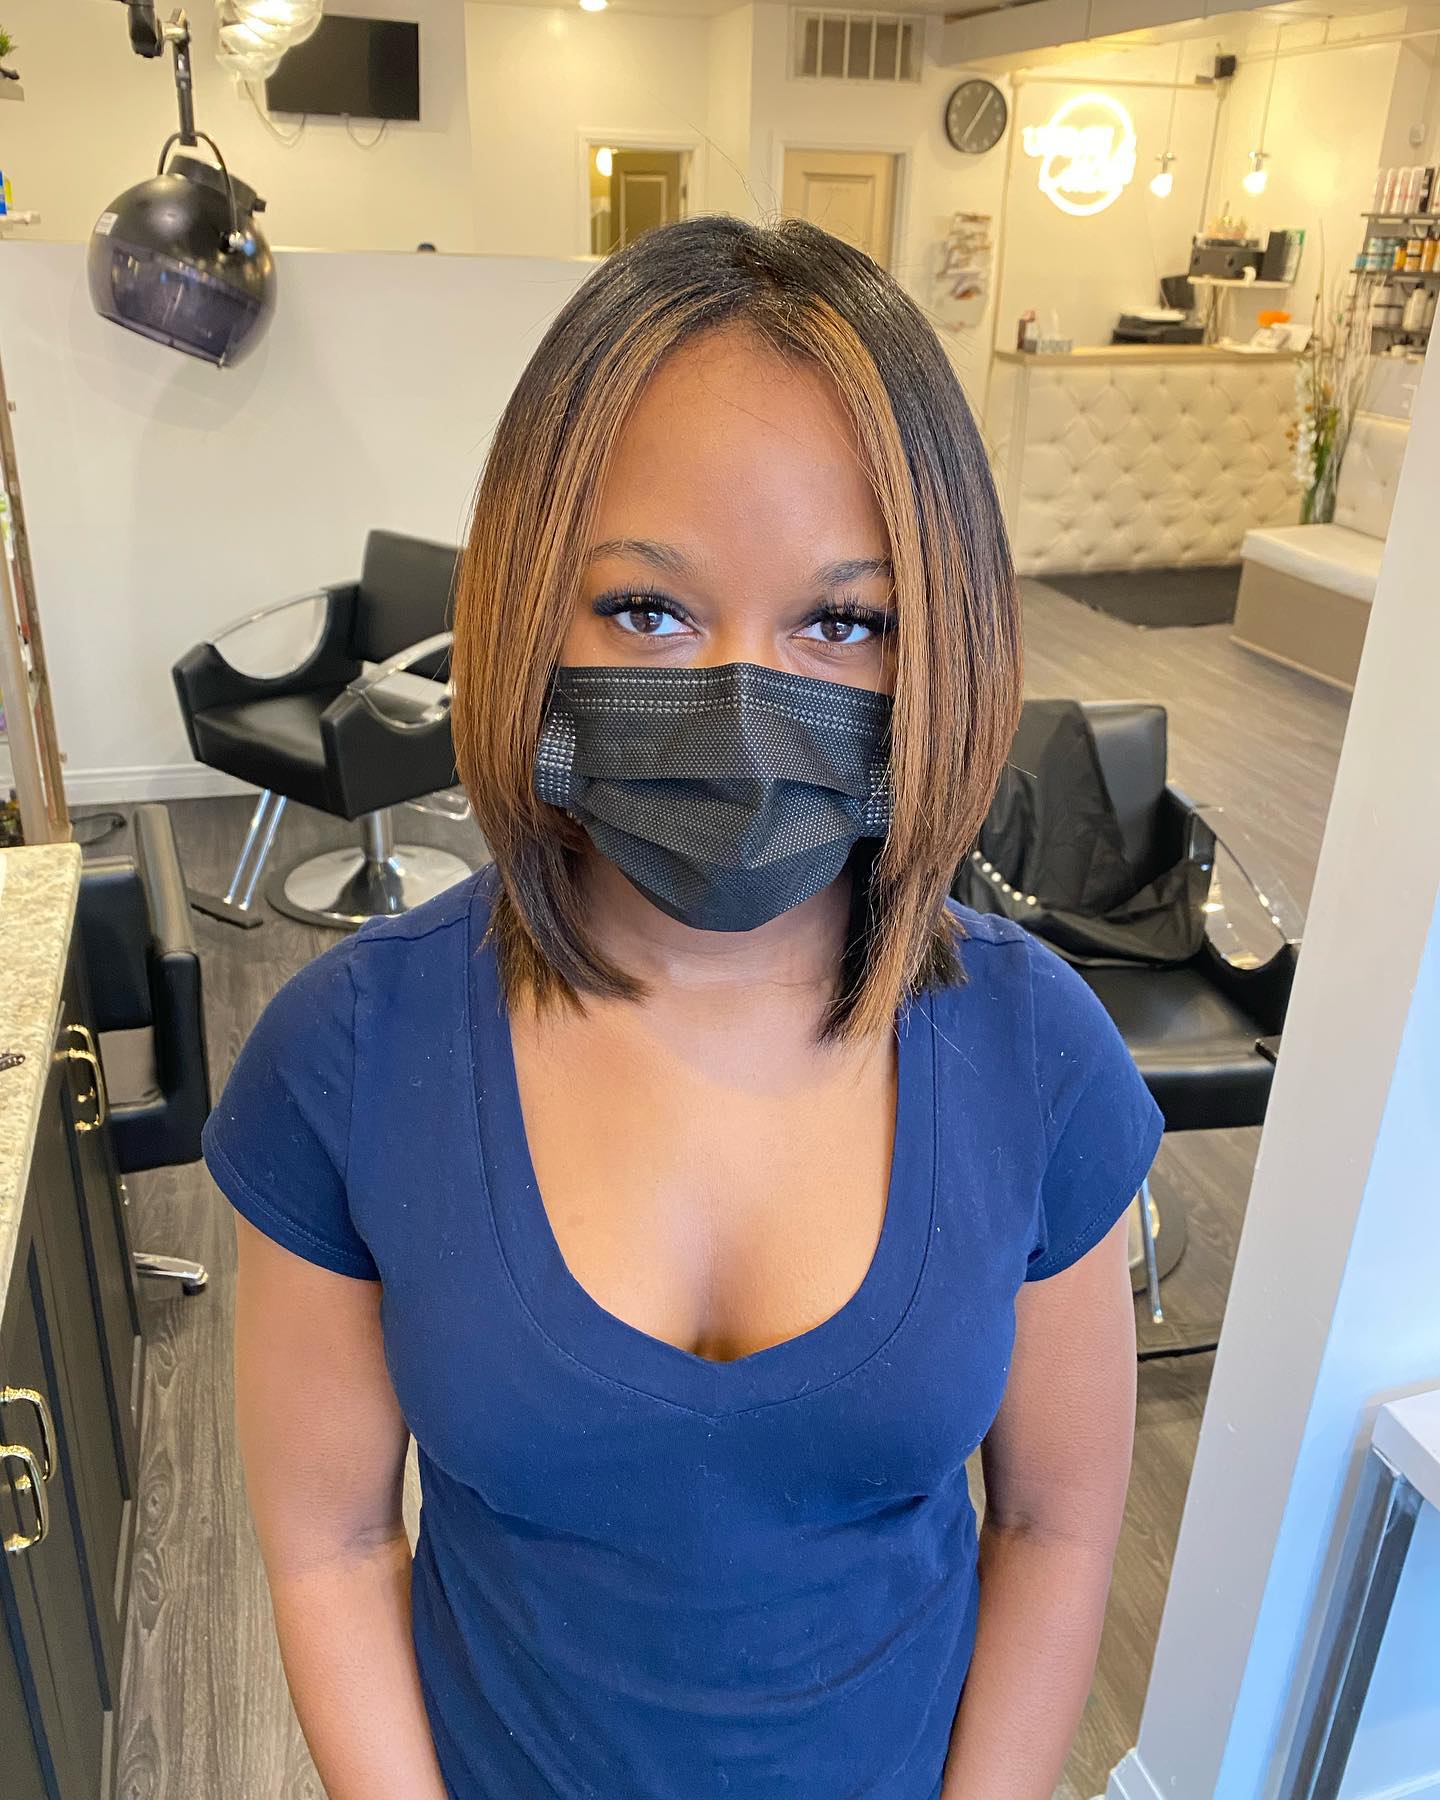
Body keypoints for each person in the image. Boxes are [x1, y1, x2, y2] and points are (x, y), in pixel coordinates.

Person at [206, 215, 1163, 1800]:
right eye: (648, 610)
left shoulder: (1038, 1056)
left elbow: (1056, 1526)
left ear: (936, 646)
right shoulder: (347, 1058)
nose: (740, 702)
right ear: (531, 611)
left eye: (845, 623)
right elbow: (333, 1541)